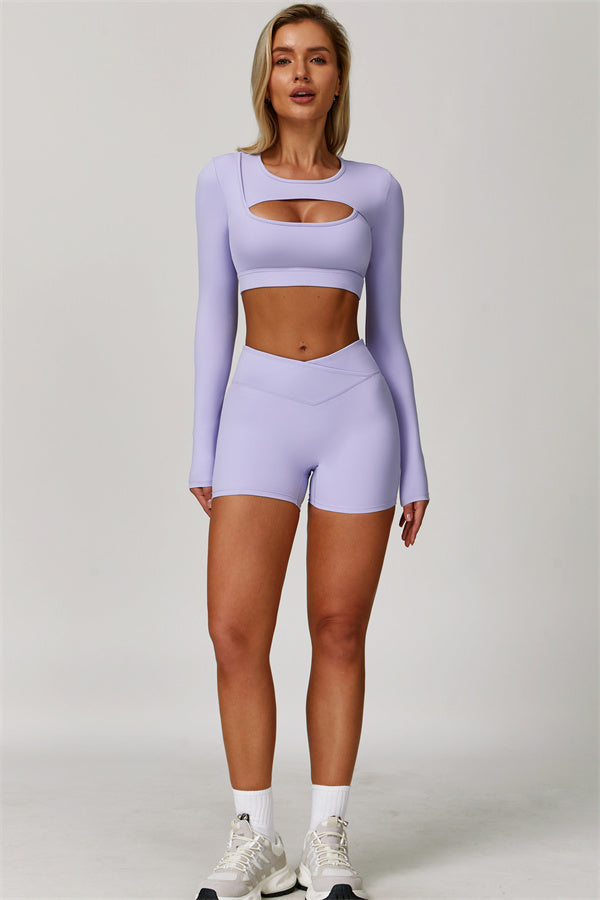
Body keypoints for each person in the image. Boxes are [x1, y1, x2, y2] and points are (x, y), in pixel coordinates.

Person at [188, 4, 429, 899]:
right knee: (234, 630)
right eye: (284, 57)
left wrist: (417, 460)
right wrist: (203, 446)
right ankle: (256, 837)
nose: (300, 72)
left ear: (338, 78)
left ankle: (328, 836)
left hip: (357, 414)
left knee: (338, 627)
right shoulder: (223, 178)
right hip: (256, 415)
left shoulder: (378, 189)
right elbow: (213, 316)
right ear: (265, 76)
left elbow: (388, 330)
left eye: (317, 58)